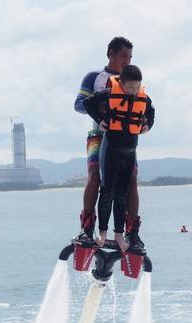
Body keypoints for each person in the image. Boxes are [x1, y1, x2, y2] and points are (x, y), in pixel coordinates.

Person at [73, 36, 143, 249]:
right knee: (95, 174)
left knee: (131, 179)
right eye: (124, 56)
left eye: (130, 57)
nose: (127, 61)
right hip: (99, 135)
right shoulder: (94, 77)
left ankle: (132, 233)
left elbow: (144, 108)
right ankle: (87, 229)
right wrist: (103, 109)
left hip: (125, 140)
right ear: (110, 54)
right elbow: (79, 104)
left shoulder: (132, 82)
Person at [82, 65, 155, 251]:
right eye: (130, 87)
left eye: (136, 87)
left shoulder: (142, 96)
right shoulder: (105, 87)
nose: (133, 91)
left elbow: (151, 111)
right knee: (107, 190)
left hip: (130, 149)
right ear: (121, 84)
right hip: (110, 146)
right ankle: (98, 232)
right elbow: (85, 103)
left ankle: (121, 234)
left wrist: (148, 125)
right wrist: (101, 119)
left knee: (123, 192)